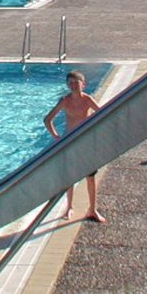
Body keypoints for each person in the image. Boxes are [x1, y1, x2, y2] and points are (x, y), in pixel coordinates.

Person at [43, 70, 106, 222]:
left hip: (85, 143)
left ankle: (92, 209)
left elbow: (103, 114)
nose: (73, 86)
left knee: (90, 178)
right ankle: (69, 207)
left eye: (76, 83)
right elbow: (47, 120)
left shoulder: (88, 100)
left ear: (83, 84)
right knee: (70, 178)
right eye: (70, 83)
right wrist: (57, 138)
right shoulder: (65, 101)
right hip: (70, 142)